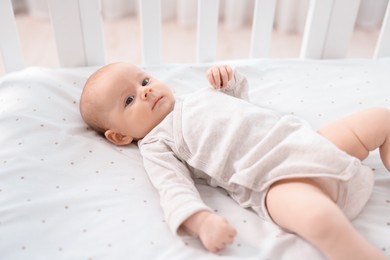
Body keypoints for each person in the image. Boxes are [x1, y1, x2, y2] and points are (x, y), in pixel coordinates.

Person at [79, 62, 389, 259]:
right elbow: (173, 189)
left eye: (144, 81)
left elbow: (241, 105)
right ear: (119, 136)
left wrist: (228, 83)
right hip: (272, 179)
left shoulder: (196, 97)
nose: (145, 92)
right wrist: (201, 222)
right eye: (129, 100)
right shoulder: (157, 143)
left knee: (380, 119)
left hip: (307, 140)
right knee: (319, 220)